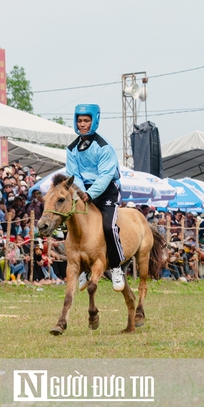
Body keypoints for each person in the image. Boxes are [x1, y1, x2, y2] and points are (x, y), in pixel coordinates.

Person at [66, 103, 125, 291]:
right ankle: (82, 270)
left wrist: (90, 194)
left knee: (108, 226)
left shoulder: (104, 147)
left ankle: (116, 267)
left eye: (86, 120)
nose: (82, 124)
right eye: (79, 120)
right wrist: (81, 192)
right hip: (83, 192)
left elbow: (106, 175)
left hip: (106, 191)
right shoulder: (71, 149)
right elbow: (73, 174)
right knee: (72, 224)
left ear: (94, 121)